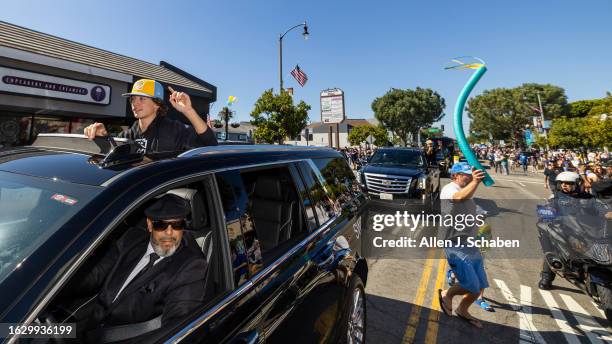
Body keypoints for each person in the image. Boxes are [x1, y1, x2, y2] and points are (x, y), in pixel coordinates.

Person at [71, 194, 208, 342]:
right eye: (161, 225)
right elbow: (94, 275)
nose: (169, 233)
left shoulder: (190, 266)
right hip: (88, 326)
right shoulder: (131, 240)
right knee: (44, 332)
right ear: (149, 225)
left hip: (125, 338)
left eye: (177, 225)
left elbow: (178, 328)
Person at [84, 79, 217, 152]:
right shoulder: (127, 136)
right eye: (133, 99)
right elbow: (113, 161)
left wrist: (189, 111)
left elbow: (210, 144)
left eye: (142, 99)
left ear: (157, 104)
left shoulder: (174, 130)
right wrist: (103, 137)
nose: (135, 104)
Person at [538, 171, 612, 290]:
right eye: (562, 183)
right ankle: (546, 277)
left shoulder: (589, 198)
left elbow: (602, 209)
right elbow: (546, 210)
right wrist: (547, 213)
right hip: (567, 232)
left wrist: (608, 213)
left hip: (589, 232)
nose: (564, 185)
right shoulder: (555, 199)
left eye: (568, 183)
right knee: (553, 252)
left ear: (577, 183)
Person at [438, 162, 488, 329]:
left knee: (480, 285)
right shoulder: (449, 189)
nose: (470, 176)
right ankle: (447, 294)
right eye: (467, 174)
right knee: (470, 284)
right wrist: (475, 182)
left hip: (469, 243)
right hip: (455, 244)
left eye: (471, 174)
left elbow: (468, 205)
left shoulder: (467, 192)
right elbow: (458, 199)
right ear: (455, 176)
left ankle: (463, 309)